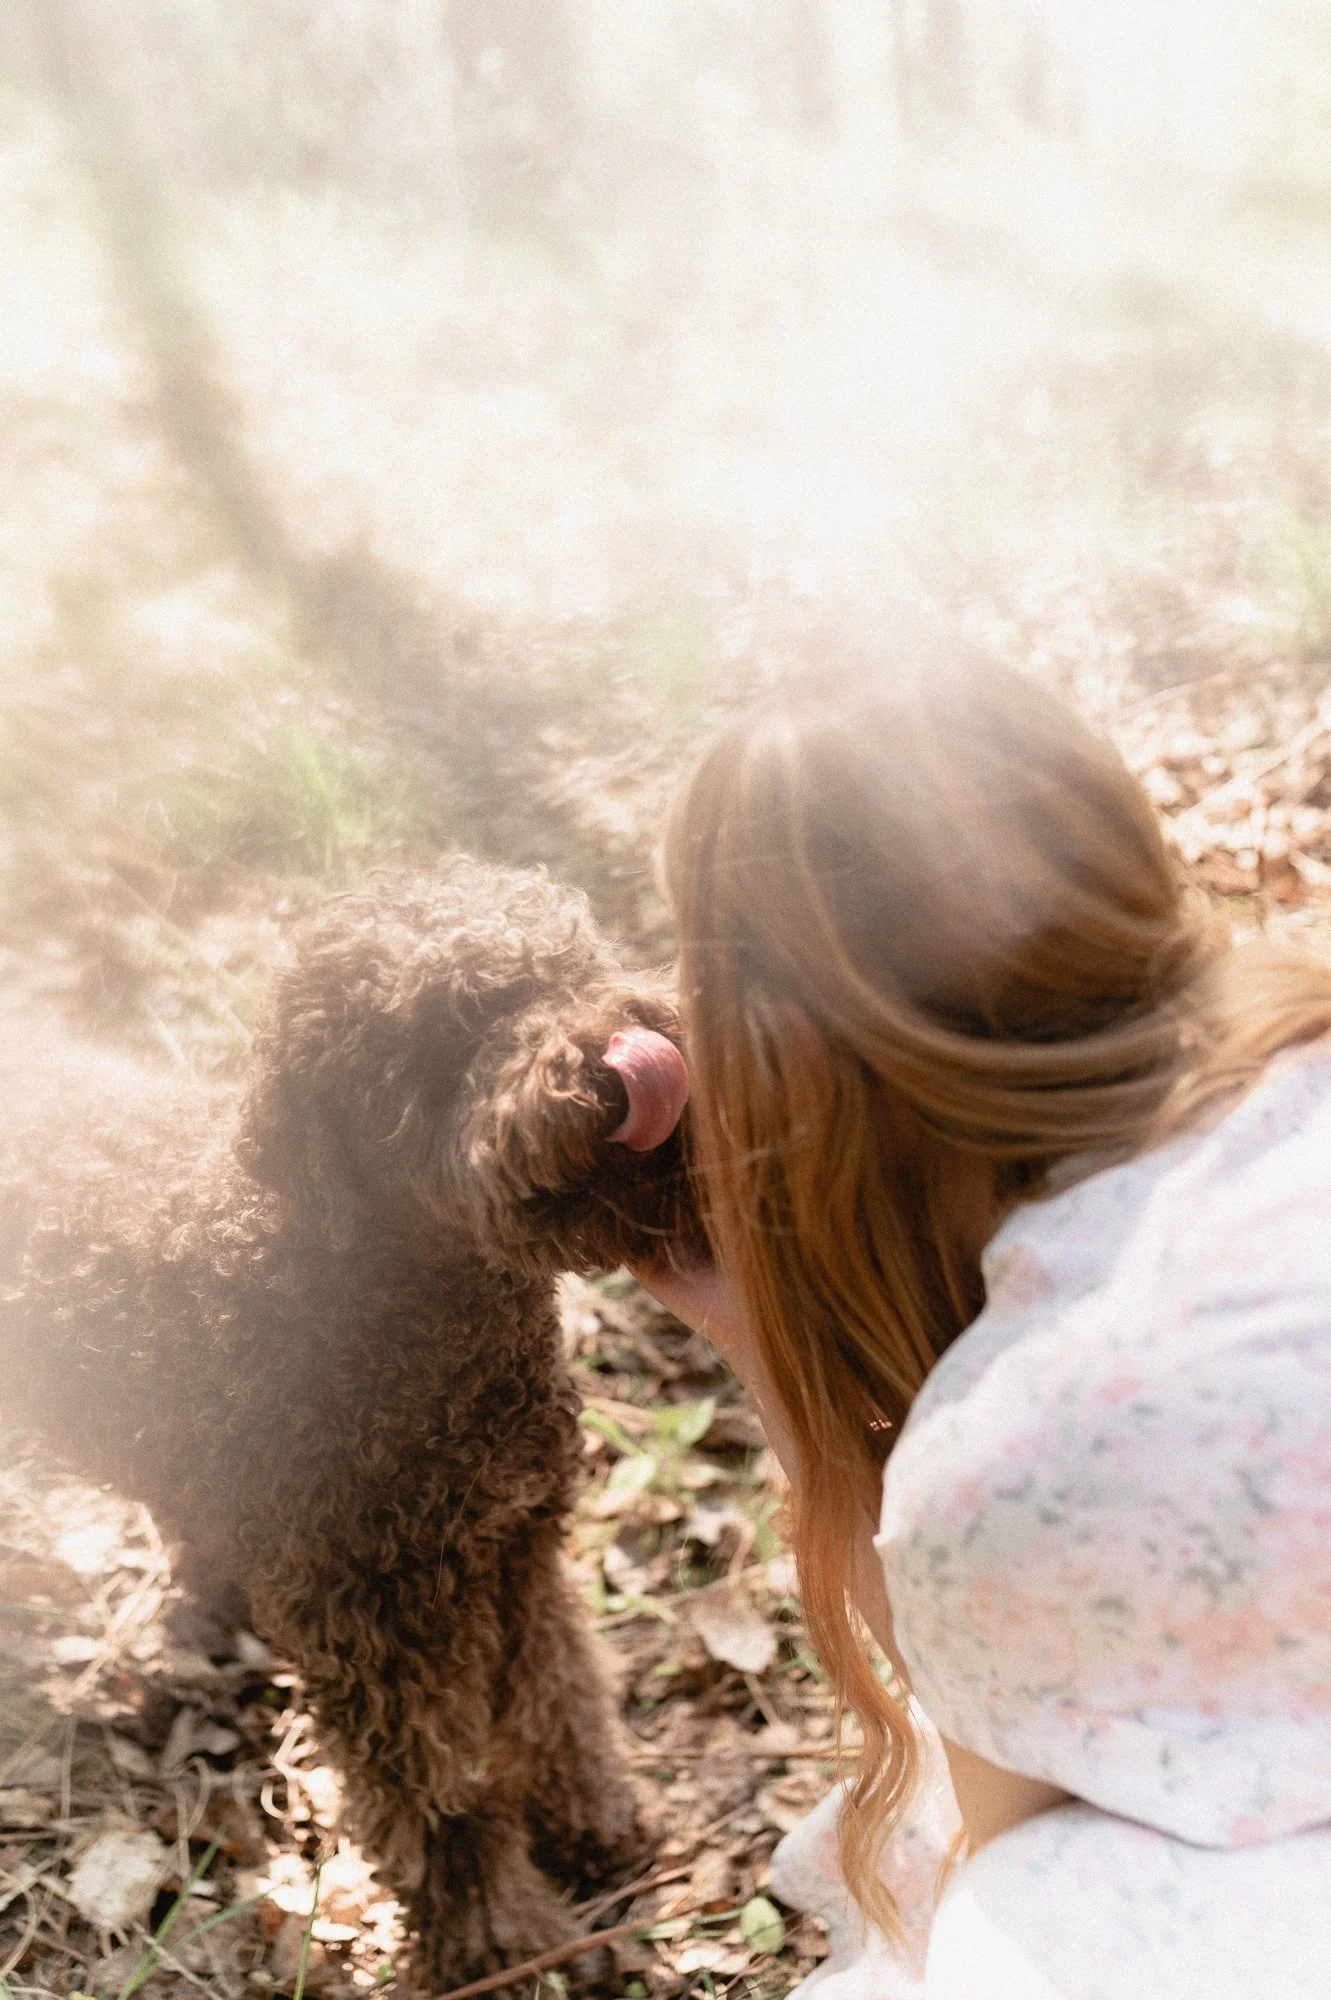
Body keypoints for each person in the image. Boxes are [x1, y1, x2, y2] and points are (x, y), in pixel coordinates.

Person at [627, 652, 1331, 1998]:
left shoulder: (1009, 1465)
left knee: (1015, 1906)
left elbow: (1013, 1809)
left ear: (791, 1053)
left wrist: (796, 1379)